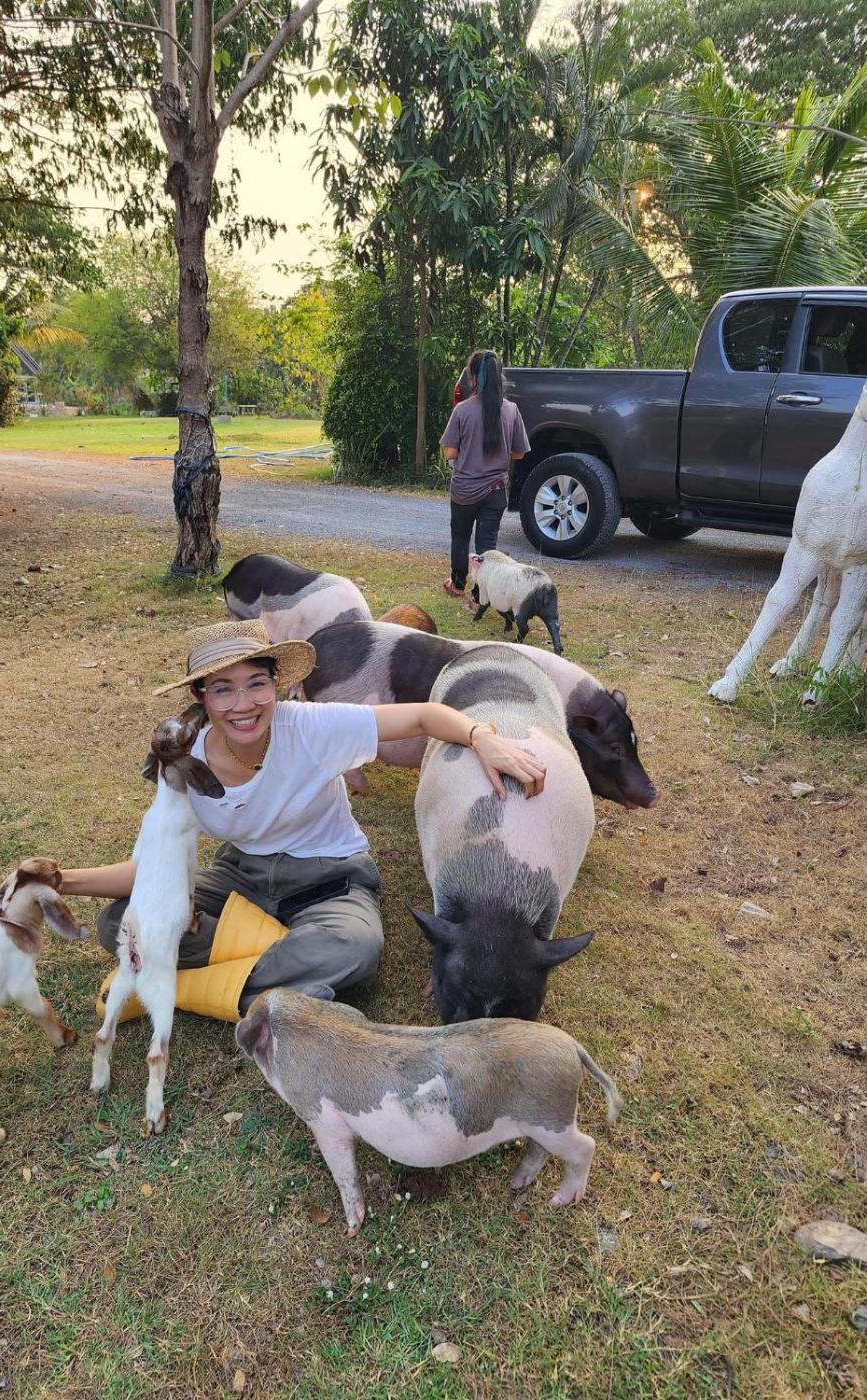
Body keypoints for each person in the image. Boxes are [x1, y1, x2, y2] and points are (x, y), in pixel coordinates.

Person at [59, 619, 546, 1022]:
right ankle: (280, 973)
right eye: (223, 690)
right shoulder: (184, 761)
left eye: (257, 684)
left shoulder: (310, 726)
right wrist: (60, 881)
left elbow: (423, 717)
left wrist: (481, 736)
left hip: (330, 878)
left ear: (277, 685)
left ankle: (176, 989)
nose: (243, 704)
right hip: (240, 876)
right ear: (201, 696)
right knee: (121, 924)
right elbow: (155, 870)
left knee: (356, 949)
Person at [440, 348, 530, 602]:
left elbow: (449, 452)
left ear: (472, 378)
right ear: (500, 377)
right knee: (487, 544)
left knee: (460, 536)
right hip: (495, 490)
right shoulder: (511, 410)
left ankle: (457, 584)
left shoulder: (462, 410)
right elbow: (519, 453)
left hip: (464, 490)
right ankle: (480, 596)